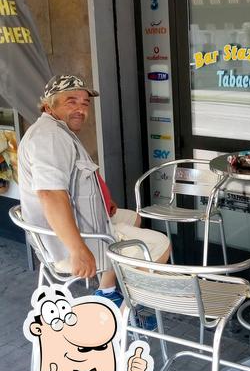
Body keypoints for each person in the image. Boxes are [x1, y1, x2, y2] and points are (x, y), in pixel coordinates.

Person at [19, 75, 170, 327]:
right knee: (160, 245)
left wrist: (104, 200)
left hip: (73, 222)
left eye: (85, 102)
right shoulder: (50, 138)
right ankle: (119, 316)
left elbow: (82, 177)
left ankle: (108, 291)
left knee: (132, 217)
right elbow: (50, 194)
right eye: (71, 101)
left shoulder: (57, 130)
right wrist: (78, 249)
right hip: (66, 240)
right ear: (48, 105)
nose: (80, 108)